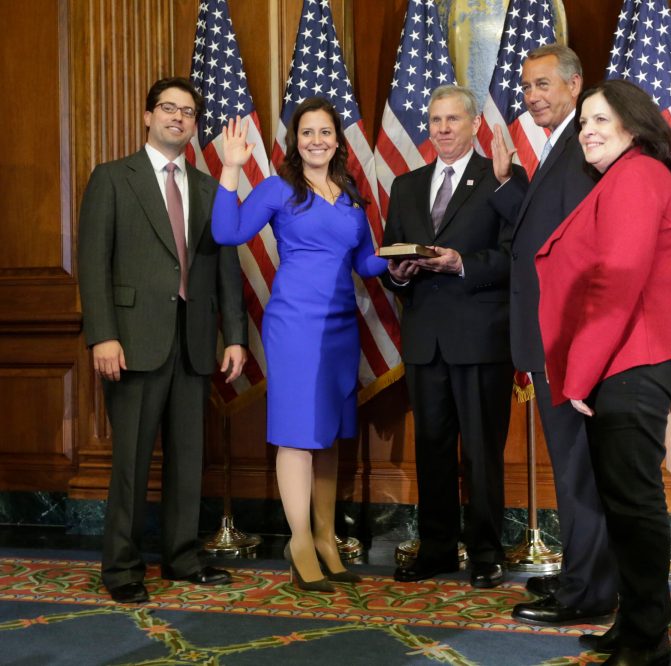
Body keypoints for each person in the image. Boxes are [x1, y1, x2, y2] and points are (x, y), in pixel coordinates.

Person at [536, 79, 671, 666]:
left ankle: (646, 636)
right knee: (622, 499)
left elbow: (618, 280)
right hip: (629, 351)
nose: (587, 130)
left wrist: (578, 375)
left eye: (600, 120)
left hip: (638, 352)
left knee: (633, 502)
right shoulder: (626, 177)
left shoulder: (636, 176)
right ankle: (634, 623)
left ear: (632, 126)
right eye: (583, 122)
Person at [78, 77, 248, 604]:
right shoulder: (112, 178)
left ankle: (181, 557)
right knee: (130, 460)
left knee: (187, 457)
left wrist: (235, 335)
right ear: (148, 116)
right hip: (132, 341)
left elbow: (226, 268)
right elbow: (93, 263)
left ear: (196, 125)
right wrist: (102, 335)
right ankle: (123, 568)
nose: (179, 117)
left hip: (195, 342)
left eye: (189, 112)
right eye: (169, 108)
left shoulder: (206, 186)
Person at [211, 98, 386, 592]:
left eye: (325, 132)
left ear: (337, 140)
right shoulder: (277, 189)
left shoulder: (351, 195)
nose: (316, 140)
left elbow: (365, 262)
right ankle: (300, 541)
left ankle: (328, 539)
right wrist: (229, 169)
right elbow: (227, 231)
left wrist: (403, 260)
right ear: (295, 141)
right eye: (306, 132)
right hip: (294, 325)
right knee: (297, 433)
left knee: (329, 433)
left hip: (340, 326)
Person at [490, 44, 618, 623]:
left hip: (566, 342)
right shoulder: (559, 147)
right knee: (574, 469)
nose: (532, 95)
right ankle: (580, 577)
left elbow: (581, 253)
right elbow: (543, 230)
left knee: (577, 471)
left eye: (543, 84)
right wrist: (507, 181)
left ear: (575, 84)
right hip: (550, 340)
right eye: (527, 86)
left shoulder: (582, 147)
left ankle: (586, 594)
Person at [382, 85, 526, 589]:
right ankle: (437, 548)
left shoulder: (502, 179)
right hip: (425, 340)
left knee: (482, 452)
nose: (442, 129)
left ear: (473, 126)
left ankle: (486, 553)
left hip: (482, 339)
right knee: (432, 447)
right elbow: (389, 262)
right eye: (435, 120)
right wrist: (398, 274)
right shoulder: (406, 185)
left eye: (452, 120)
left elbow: (517, 257)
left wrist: (461, 262)